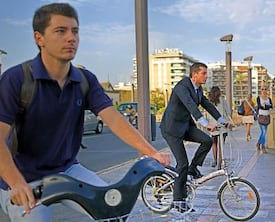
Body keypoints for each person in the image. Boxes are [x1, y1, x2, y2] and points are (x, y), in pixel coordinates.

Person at [0, 3, 171, 222]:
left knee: (113, 208)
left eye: (75, 31)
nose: (71, 38)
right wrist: (15, 182)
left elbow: (115, 120)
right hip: (24, 178)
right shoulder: (16, 80)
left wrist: (152, 152)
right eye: (61, 31)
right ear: (39, 38)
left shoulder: (84, 80)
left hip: (67, 170)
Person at [160, 62, 228, 212]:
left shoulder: (198, 89)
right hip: (171, 129)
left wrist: (222, 120)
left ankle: (193, 168)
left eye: (206, 73)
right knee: (181, 163)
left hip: (185, 126)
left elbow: (206, 104)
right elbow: (190, 104)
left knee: (207, 140)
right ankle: (178, 201)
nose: (206, 76)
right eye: (204, 73)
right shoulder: (182, 86)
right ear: (194, 74)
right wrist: (204, 123)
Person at [206, 86, 233, 168]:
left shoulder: (208, 102)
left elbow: (206, 114)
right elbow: (227, 112)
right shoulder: (223, 100)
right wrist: (229, 122)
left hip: (212, 126)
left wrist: (207, 124)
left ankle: (215, 160)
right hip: (222, 126)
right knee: (221, 145)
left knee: (214, 144)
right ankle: (219, 164)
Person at [256, 86, 273, 153]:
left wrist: (265, 106)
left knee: (263, 132)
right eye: (263, 89)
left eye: (265, 89)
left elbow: (271, 106)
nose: (264, 90)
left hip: (267, 116)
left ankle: (258, 143)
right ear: (261, 90)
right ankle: (263, 146)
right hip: (261, 116)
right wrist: (266, 106)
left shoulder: (269, 99)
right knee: (264, 132)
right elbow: (260, 106)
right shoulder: (259, 98)